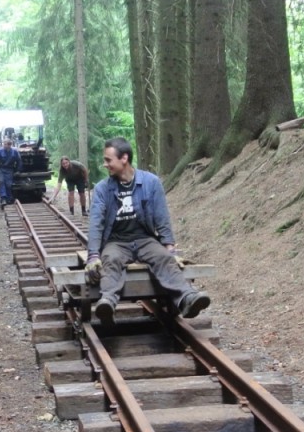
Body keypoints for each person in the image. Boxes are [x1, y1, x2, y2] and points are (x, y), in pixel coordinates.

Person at [85, 137, 210, 326]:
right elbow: (96, 223)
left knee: (164, 258)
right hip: (116, 242)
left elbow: (162, 216)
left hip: (145, 239)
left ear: (124, 158)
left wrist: (169, 248)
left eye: (108, 160)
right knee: (110, 259)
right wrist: (93, 256)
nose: (105, 164)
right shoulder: (103, 189)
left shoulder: (151, 182)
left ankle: (187, 298)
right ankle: (107, 303)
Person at [0, 137, 21, 205]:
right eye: (5, 144)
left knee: (9, 184)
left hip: (9, 169)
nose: (6, 146)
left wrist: (18, 170)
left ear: (10, 145)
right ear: (3, 144)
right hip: (1, 169)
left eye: (8, 144)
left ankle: (9, 198)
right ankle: (3, 198)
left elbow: (19, 161)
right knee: (2, 181)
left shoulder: (14, 151)